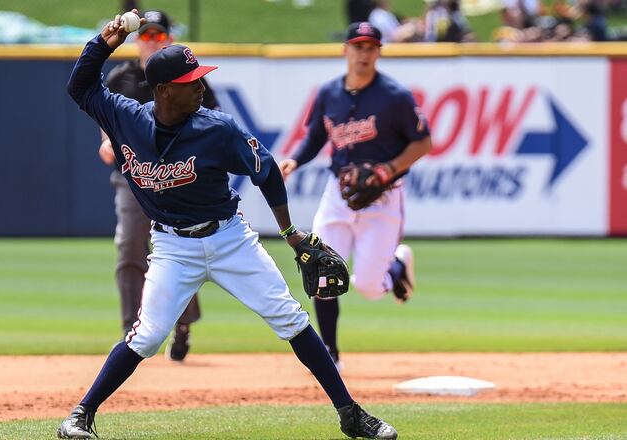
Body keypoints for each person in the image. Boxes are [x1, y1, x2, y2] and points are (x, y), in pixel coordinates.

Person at [59, 9, 398, 440]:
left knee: (290, 319)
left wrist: (291, 233)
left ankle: (351, 414)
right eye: (190, 82)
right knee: (145, 338)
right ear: (163, 91)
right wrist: (105, 41)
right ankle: (81, 414)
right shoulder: (126, 117)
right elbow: (79, 86)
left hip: (228, 239)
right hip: (171, 248)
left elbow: (268, 172)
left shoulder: (217, 128)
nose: (201, 86)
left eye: (200, 77)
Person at [278, 22, 432, 369]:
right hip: (338, 192)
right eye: (358, 46)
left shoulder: (394, 96)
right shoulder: (329, 93)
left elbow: (423, 142)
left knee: (367, 286)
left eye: (371, 47)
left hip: (384, 196)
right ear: (345, 49)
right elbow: (316, 137)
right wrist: (295, 160)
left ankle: (396, 267)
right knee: (323, 267)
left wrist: (386, 170)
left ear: (379, 52)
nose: (364, 53)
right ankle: (330, 352)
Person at [97, 9, 219, 362]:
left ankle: (183, 323)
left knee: (181, 251)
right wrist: (107, 140)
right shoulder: (121, 77)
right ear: (137, 41)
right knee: (129, 245)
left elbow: (212, 119)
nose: (151, 42)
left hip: (177, 178)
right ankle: (129, 333)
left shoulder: (188, 77)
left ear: (168, 38)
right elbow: (105, 116)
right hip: (132, 178)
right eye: (146, 36)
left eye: (158, 36)